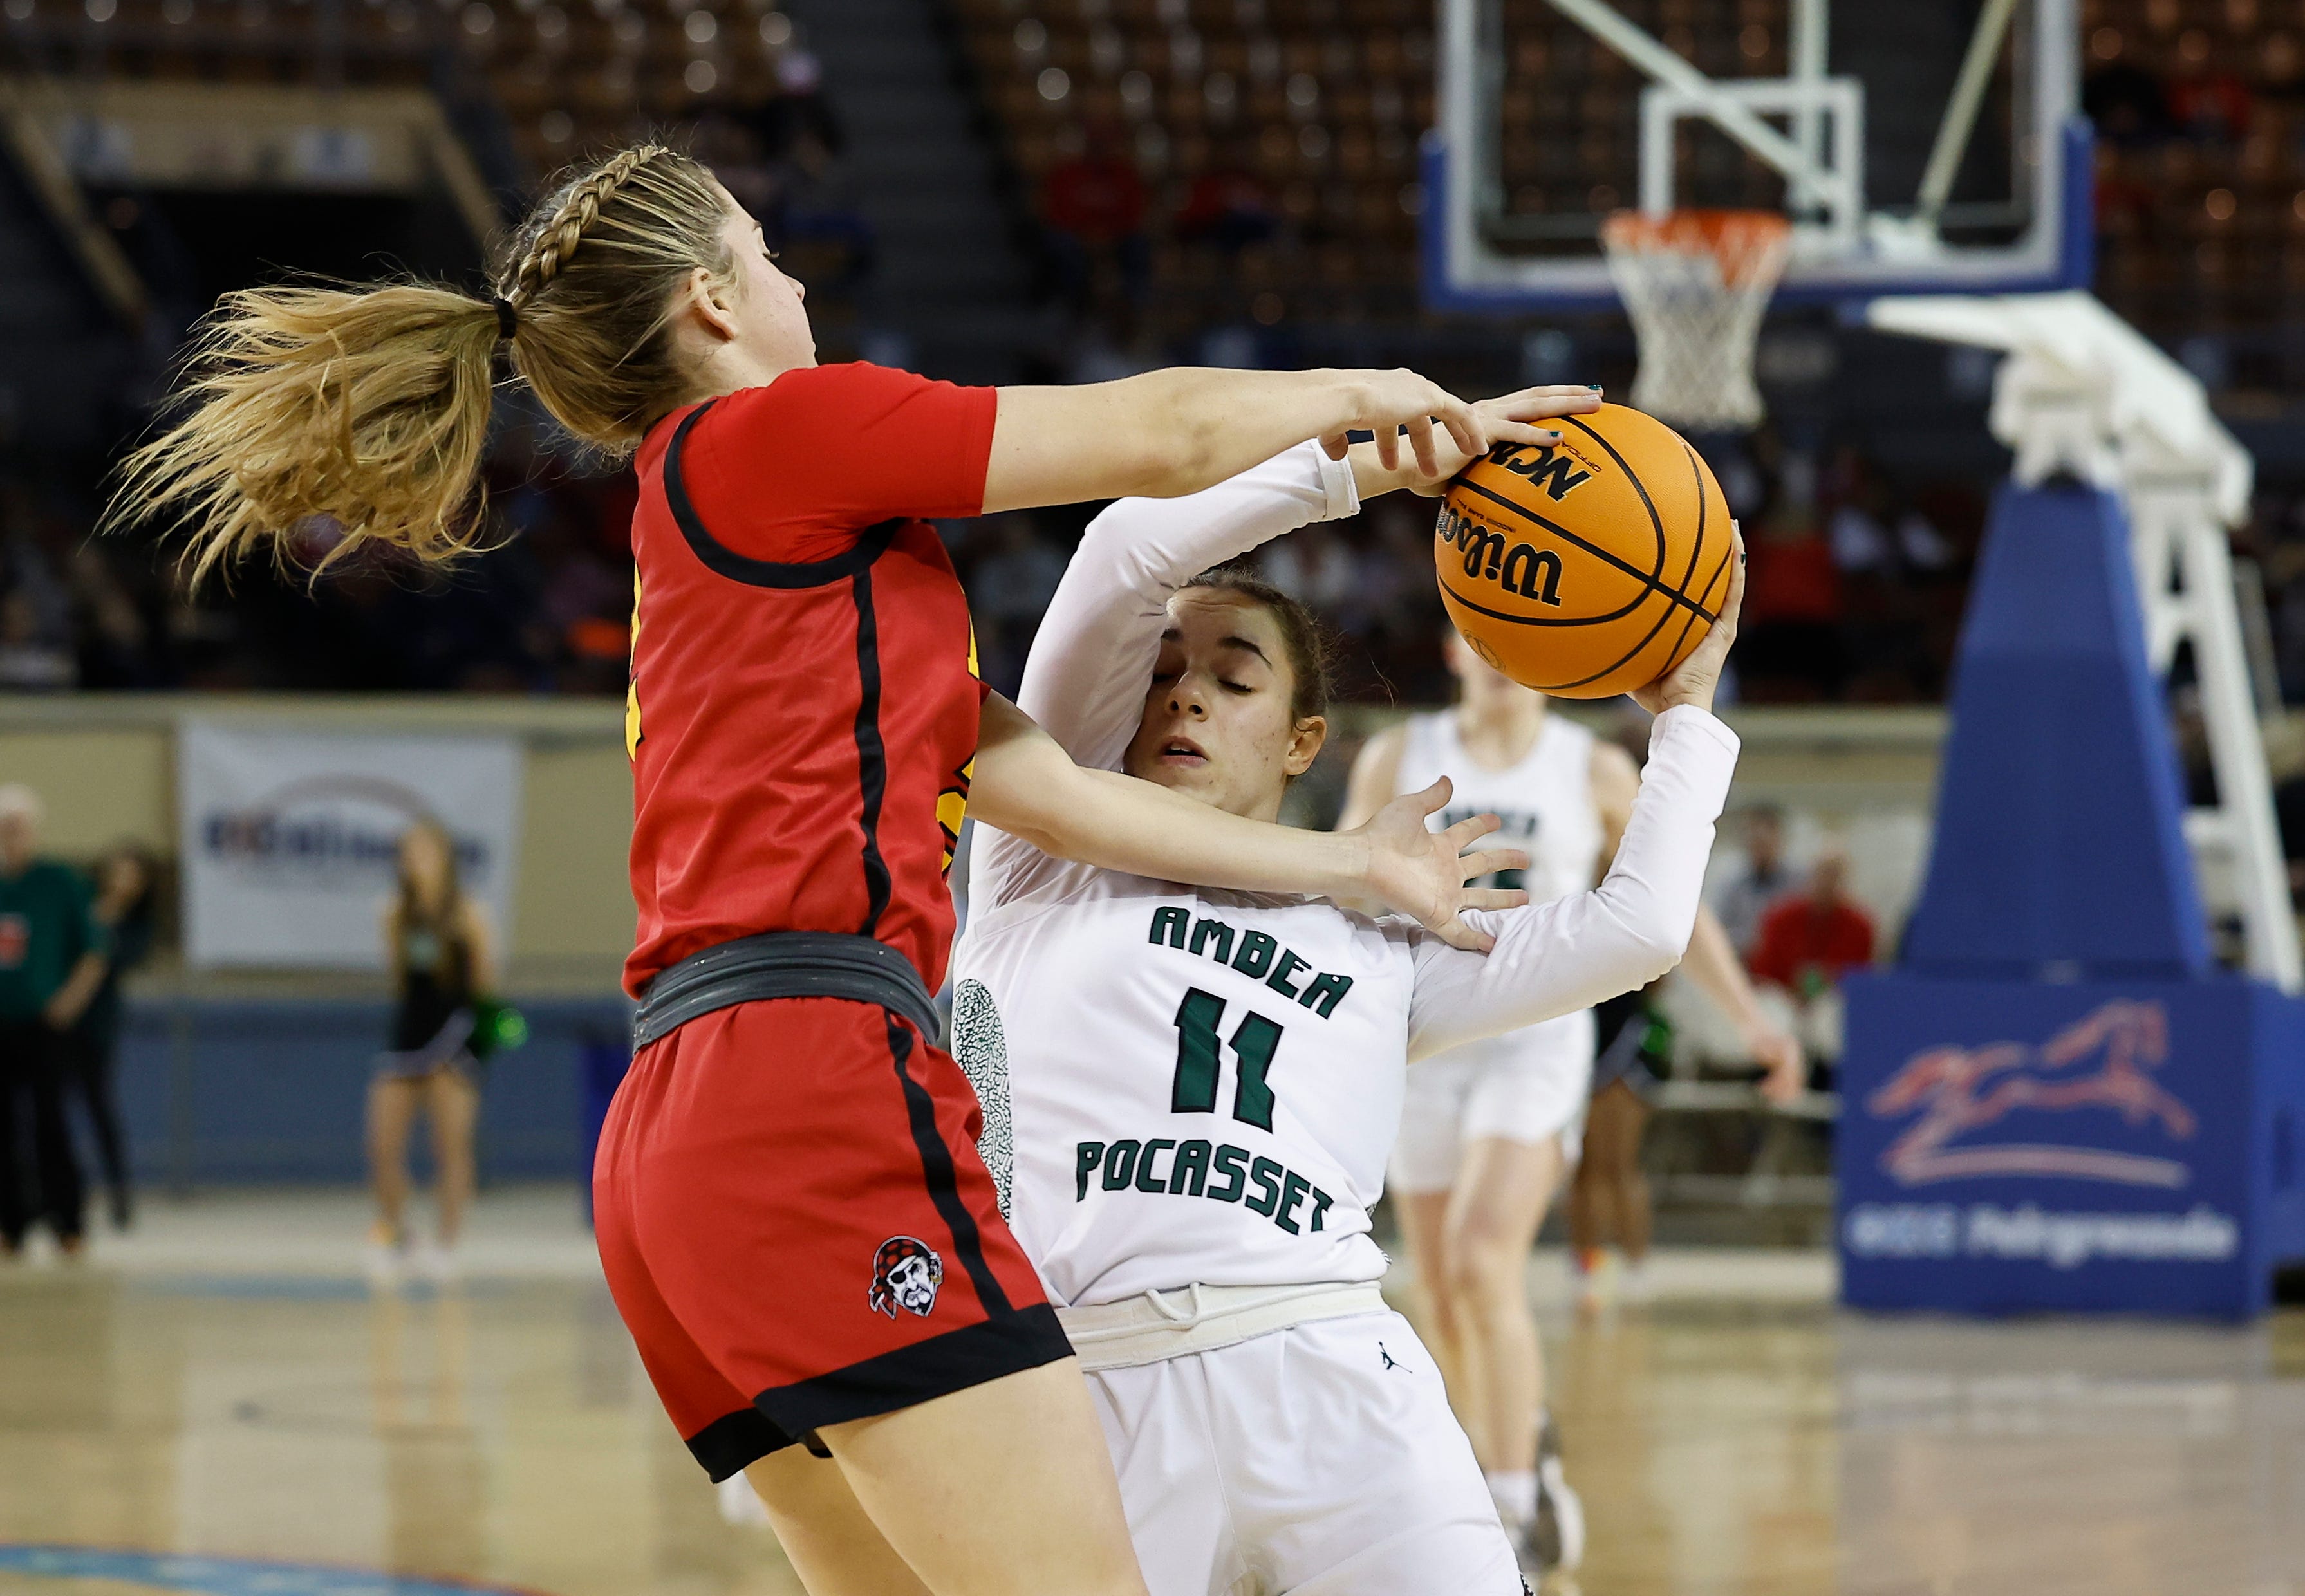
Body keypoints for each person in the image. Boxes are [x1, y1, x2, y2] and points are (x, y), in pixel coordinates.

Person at [107, 143, 1550, 1596]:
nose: (798, 280)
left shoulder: (760, 568)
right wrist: (1393, 411)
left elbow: (1056, 799)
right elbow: (1165, 432)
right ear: (710, 305)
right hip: (810, 1086)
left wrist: (1346, 863)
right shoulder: (781, 438)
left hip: (675, 1134)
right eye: (768, 252)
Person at [949, 409, 1745, 1596]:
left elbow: (1638, 929)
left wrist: (1685, 713)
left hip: (1331, 1365)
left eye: (1232, 678)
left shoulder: (1379, 941)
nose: (1187, 698)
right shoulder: (1039, 852)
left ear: (1301, 741)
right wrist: (1371, 467)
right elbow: (1126, 551)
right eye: (1162, 673)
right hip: (1085, 1385)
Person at [1336, 633, 1802, 1570]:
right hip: (1423, 1036)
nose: (1501, 656)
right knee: (1440, 1287)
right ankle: (1512, 1455)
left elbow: (1675, 902)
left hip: (1533, 1040)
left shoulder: (1586, 763)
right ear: (1453, 647)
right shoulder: (1399, 755)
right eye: (1483, 637)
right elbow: (1345, 889)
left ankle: (1511, 1516)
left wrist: (1751, 1019)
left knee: (1480, 1256)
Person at [367, 819, 496, 1284]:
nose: (416, 858)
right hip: (408, 1033)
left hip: (455, 1034)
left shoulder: (468, 913)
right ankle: (395, 1236)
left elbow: (484, 984)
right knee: (382, 1144)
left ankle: (447, 1243)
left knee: (450, 1146)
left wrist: (477, 1048)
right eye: (408, 851)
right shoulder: (394, 914)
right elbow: (400, 980)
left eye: (425, 849)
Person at [0, 784, 107, 1259]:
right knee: (2, 1130)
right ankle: (10, 1226)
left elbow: (94, 950)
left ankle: (68, 1222)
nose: (11, 838)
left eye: (18, 828)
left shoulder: (58, 881)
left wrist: (69, 1001)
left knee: (52, 1123)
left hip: (43, 1025)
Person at [70, 842, 157, 1232]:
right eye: (118, 871)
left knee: (99, 1108)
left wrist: (102, 924)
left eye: (132, 876)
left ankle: (119, 1194)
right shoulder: (80, 905)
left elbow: (111, 958)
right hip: (52, 1022)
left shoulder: (137, 926)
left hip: (97, 1024)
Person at [1747, 847, 1878, 1080]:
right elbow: (1762, 972)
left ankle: (1827, 1086)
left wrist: (1826, 984)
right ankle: (1768, 1082)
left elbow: (1862, 980)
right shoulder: (1780, 918)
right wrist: (1792, 995)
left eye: (1835, 875)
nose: (1827, 882)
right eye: (1823, 873)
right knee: (1773, 1015)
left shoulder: (1861, 925)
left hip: (1828, 1002)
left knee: (1831, 1022)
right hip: (1785, 998)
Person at [1711, 803, 1793, 958]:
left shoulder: (1797, 883)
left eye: (1765, 842)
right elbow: (1719, 932)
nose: (1760, 847)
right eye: (1755, 840)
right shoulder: (1731, 883)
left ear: (1779, 839)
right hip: (1742, 965)